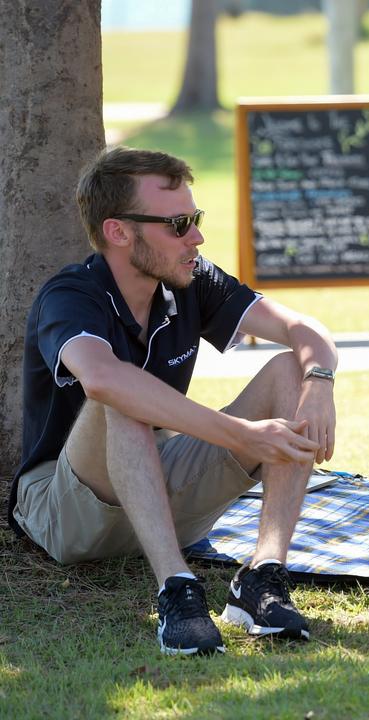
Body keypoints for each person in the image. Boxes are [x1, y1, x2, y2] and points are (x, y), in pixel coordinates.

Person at [10, 147, 340, 656]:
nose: (197, 237)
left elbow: (302, 328)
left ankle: (262, 576)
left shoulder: (189, 278)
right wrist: (243, 437)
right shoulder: (71, 294)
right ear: (119, 231)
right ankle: (176, 590)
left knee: (290, 367)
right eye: (179, 224)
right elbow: (102, 380)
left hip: (158, 494)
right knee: (123, 392)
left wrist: (318, 381)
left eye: (196, 219)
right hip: (67, 512)